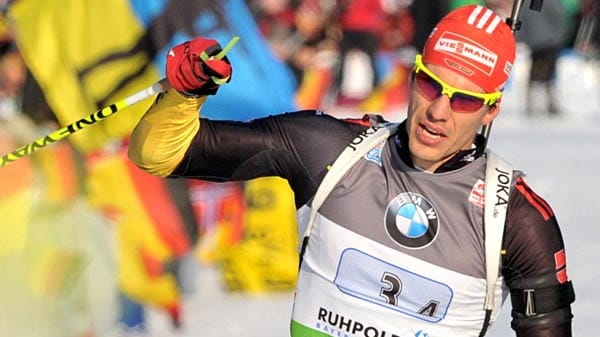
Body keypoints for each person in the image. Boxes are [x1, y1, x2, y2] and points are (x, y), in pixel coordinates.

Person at [128, 5, 575, 337]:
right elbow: (159, 154)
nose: (438, 111)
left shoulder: (516, 220)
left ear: (491, 110)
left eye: (463, 100)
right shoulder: (330, 148)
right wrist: (184, 94)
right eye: (429, 84)